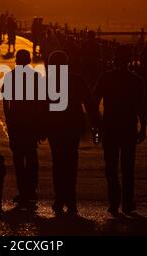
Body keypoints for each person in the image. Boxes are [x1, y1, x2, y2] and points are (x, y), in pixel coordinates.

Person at [93, 45, 146, 217]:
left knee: (111, 166)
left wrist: (97, 123)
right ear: (129, 60)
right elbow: (141, 106)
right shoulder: (136, 80)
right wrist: (143, 126)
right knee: (128, 167)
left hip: (110, 126)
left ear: (114, 60)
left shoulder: (106, 78)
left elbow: (94, 101)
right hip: (129, 126)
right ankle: (128, 203)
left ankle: (114, 202)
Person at [46, 50, 97, 215]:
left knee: (58, 163)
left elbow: (41, 108)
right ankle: (71, 199)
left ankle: (59, 199)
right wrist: (95, 125)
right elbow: (89, 103)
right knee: (71, 162)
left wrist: (40, 128)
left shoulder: (48, 82)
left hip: (55, 127)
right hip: (73, 127)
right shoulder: (77, 80)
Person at [2, 50, 45, 210]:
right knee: (31, 156)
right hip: (31, 122)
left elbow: (6, 101)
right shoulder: (35, 77)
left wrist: (8, 120)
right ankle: (31, 190)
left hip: (16, 122)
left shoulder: (10, 76)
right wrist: (41, 124)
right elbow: (41, 103)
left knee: (18, 158)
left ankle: (22, 190)